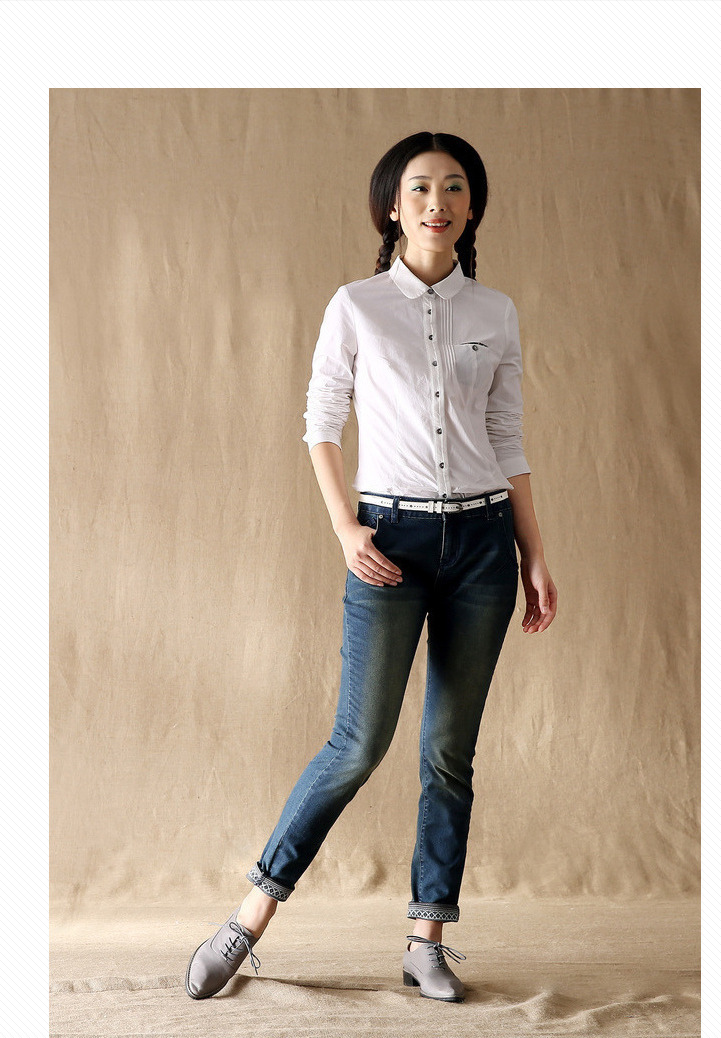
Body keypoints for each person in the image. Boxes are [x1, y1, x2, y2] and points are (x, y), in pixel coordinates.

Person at [185, 131, 557, 1004]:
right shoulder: (356, 305)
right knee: (357, 744)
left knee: (449, 752)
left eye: (455, 187)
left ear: (472, 206)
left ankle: (427, 940)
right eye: (420, 187)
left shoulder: (495, 312)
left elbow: (506, 438)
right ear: (393, 206)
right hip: (387, 539)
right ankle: (248, 918)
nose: (438, 202)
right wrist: (346, 530)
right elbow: (321, 422)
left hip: (482, 547)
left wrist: (534, 552)